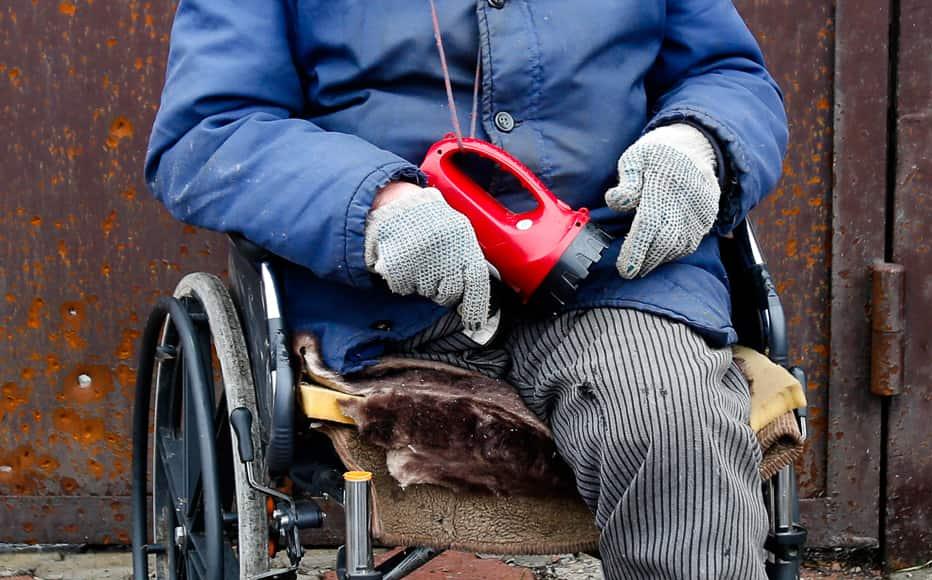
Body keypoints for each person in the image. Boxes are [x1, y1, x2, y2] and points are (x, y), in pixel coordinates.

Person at [145, 1, 787, 578]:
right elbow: (209, 130)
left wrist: (698, 141)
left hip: (605, 277)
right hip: (382, 307)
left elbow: (727, 73)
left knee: (673, 429)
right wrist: (374, 206)